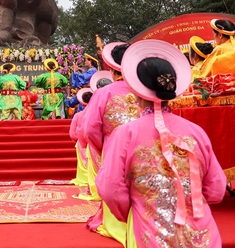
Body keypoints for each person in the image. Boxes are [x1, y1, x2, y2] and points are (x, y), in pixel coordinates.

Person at [97, 39, 227, 247]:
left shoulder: (125, 134)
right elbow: (216, 189)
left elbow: (110, 188)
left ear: (137, 88)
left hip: (150, 233)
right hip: (202, 236)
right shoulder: (196, 132)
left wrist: (132, 210)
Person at [80, 42, 140, 243]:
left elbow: (89, 129)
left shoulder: (104, 93)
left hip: (114, 146)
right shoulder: (145, 89)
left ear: (112, 69)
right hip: (147, 145)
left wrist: (102, 146)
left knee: (116, 184)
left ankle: (117, 222)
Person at [69, 88, 92, 187]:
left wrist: (77, 139)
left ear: (82, 103)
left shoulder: (78, 115)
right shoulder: (96, 114)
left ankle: (84, 178)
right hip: (93, 142)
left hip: (81, 141)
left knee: (83, 161)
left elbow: (72, 133)